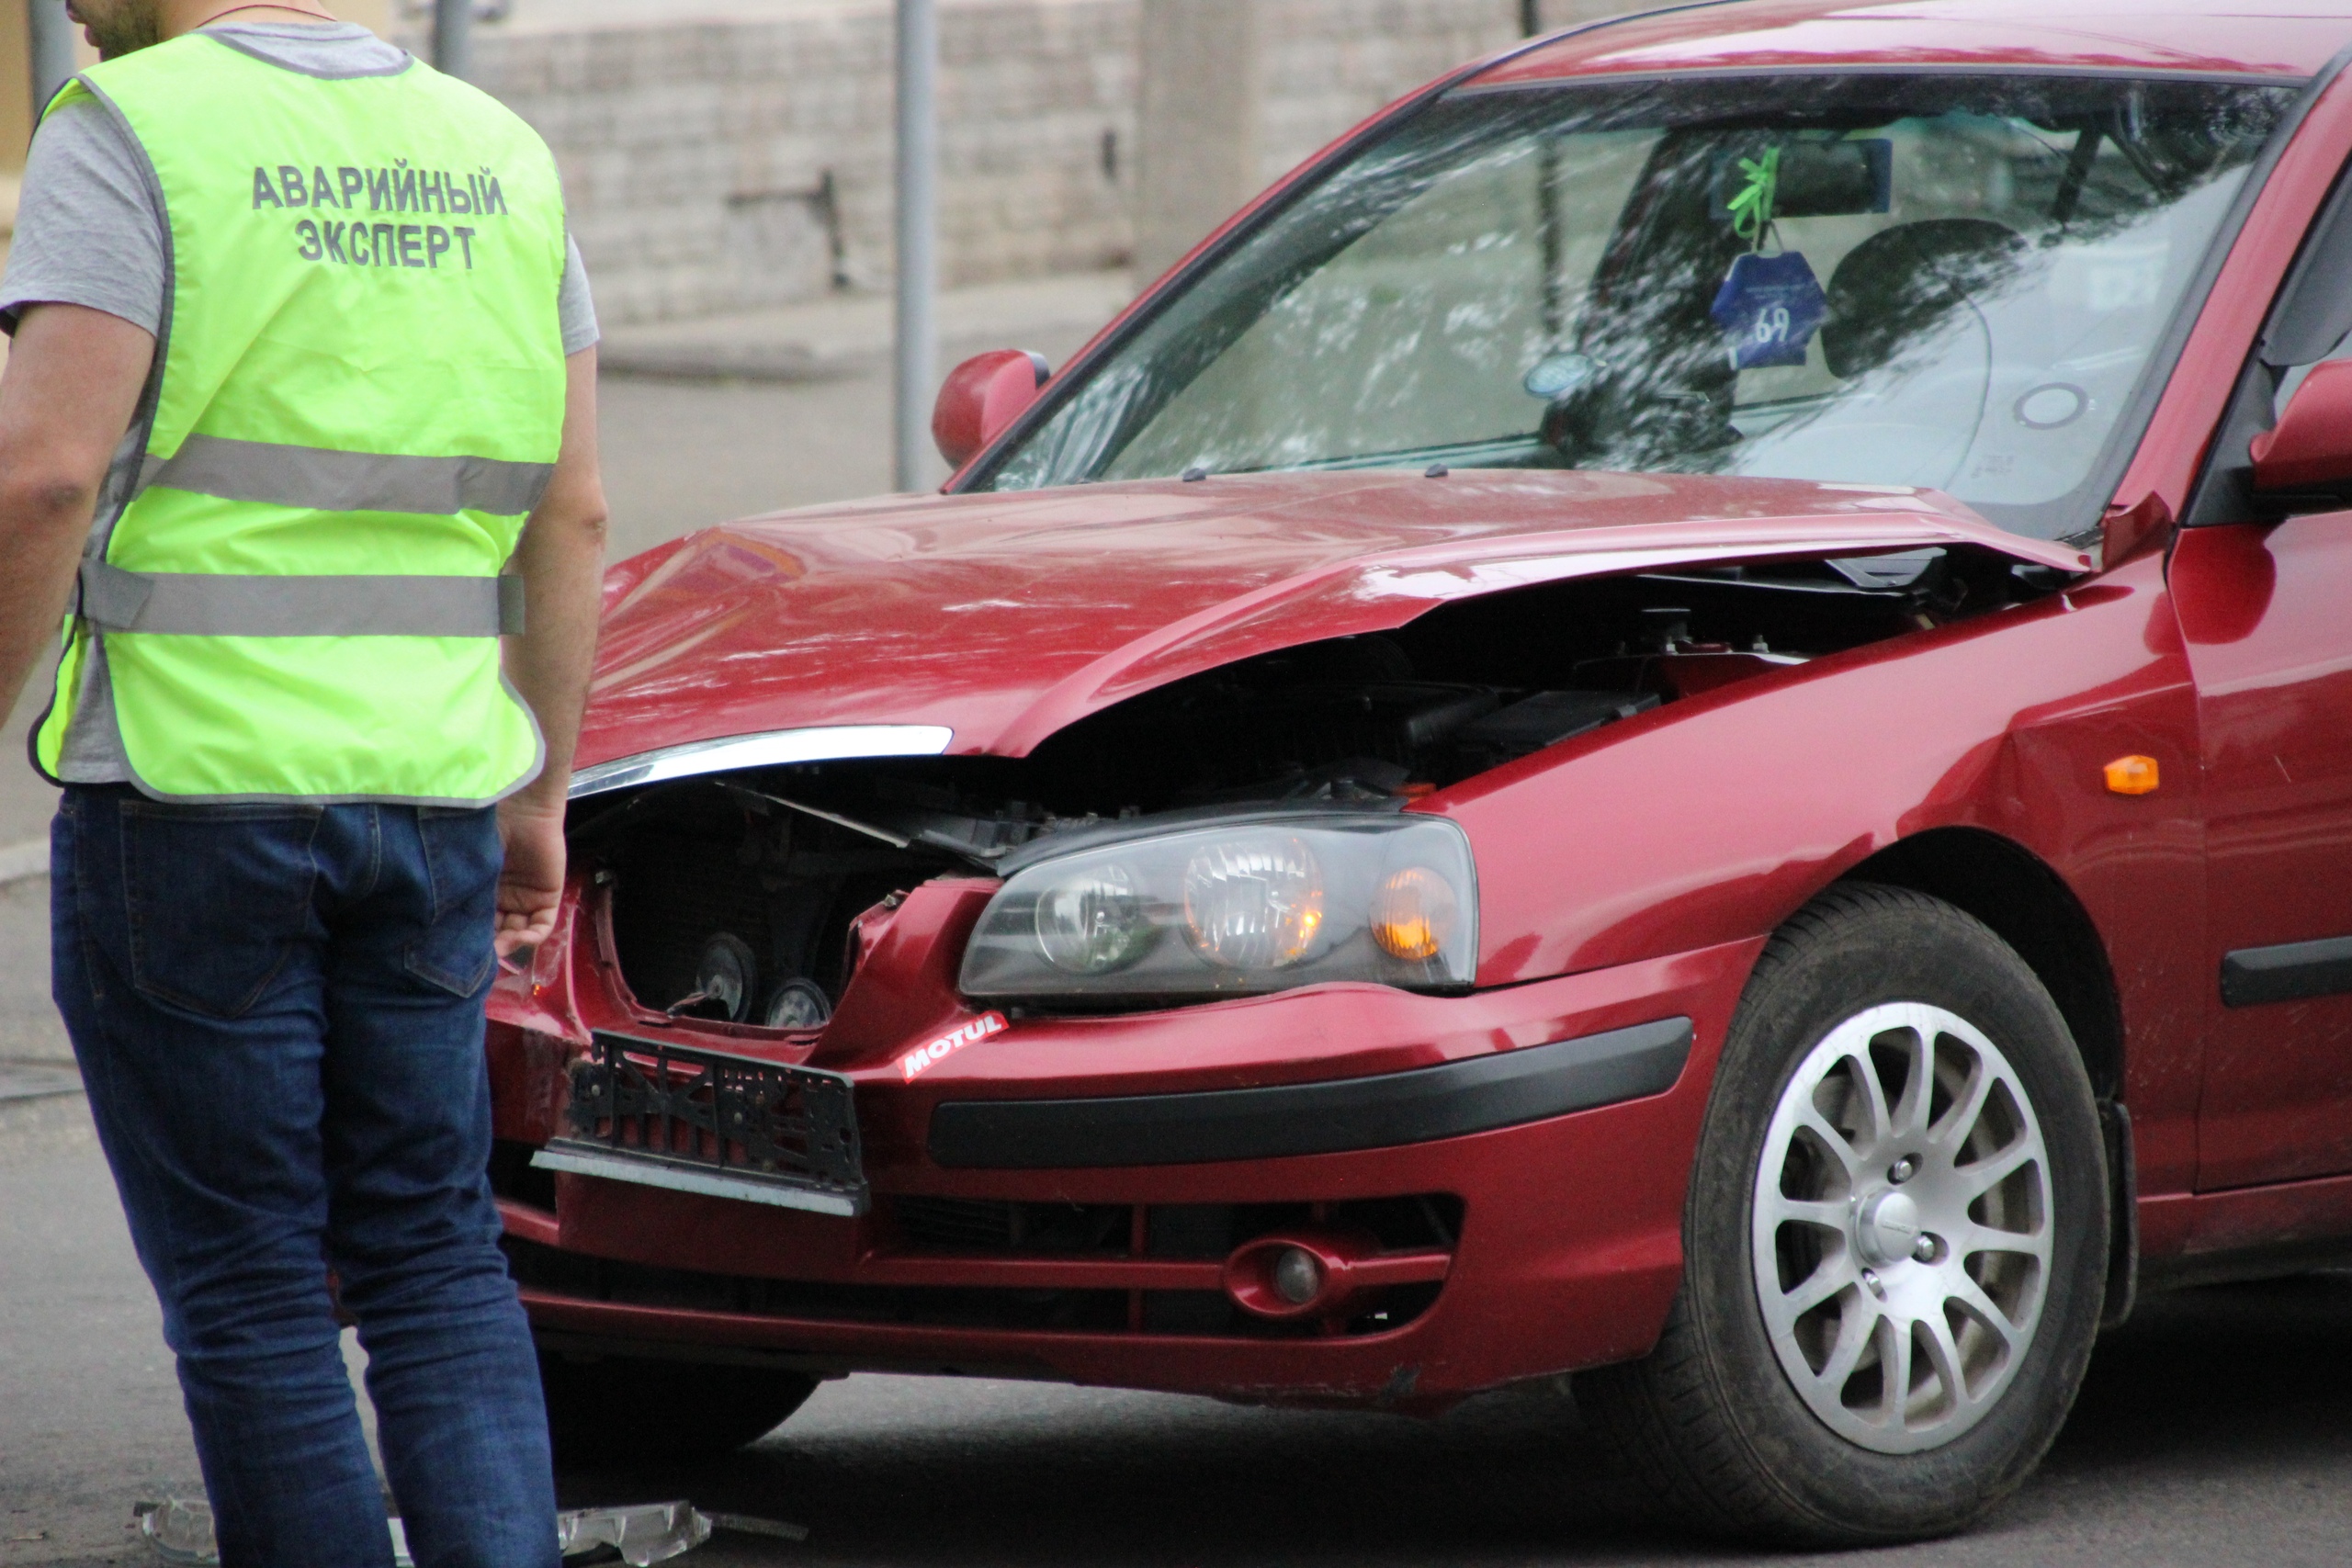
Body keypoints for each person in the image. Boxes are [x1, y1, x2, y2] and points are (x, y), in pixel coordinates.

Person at [0, 2, 607, 1562]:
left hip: (194, 806)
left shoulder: (127, 129)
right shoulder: (499, 152)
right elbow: (573, 511)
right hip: (429, 793)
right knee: (435, 1261)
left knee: (253, 1290)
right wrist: (536, 795)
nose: (66, 6)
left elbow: (46, 473)